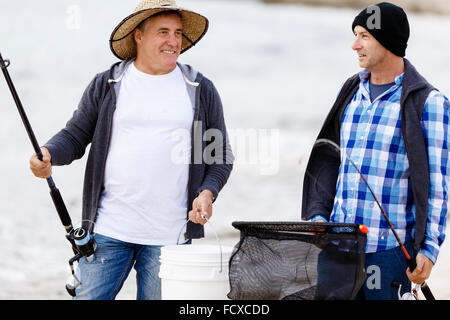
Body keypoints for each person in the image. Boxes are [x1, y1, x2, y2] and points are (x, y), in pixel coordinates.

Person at [29, 0, 233, 300]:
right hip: (108, 231)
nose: (173, 41)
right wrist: (48, 153)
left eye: (178, 33)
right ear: (138, 35)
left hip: (171, 239)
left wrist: (207, 192)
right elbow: (75, 135)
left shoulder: (200, 89)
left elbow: (218, 156)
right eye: (163, 32)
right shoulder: (109, 83)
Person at [302, 2, 448, 299]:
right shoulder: (350, 91)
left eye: (363, 36)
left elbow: (437, 186)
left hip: (389, 256)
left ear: (388, 40)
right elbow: (329, 158)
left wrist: (429, 248)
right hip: (337, 251)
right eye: (355, 35)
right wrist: (318, 216)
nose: (354, 45)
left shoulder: (430, 103)